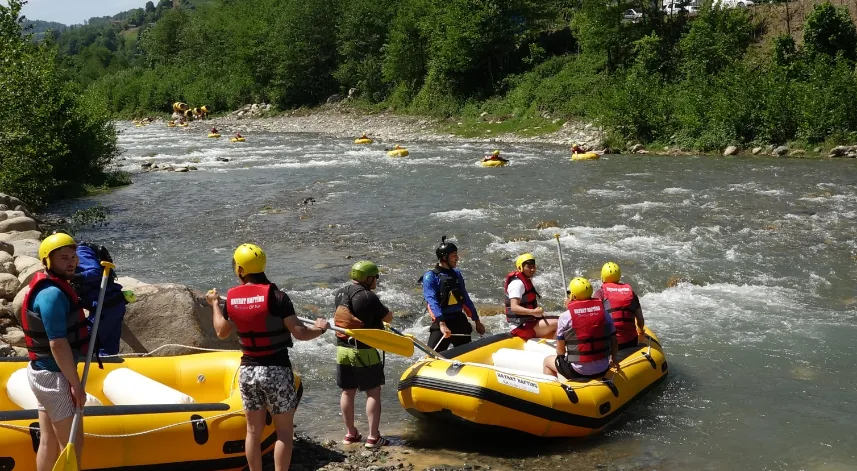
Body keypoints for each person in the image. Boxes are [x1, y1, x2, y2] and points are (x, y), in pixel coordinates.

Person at [206, 243, 329, 471]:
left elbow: (221, 331)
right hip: (276, 371)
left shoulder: (231, 298)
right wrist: (320, 328)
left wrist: (214, 304)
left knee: (253, 431)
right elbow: (301, 333)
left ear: (240, 269)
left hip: (248, 372)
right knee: (284, 433)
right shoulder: (277, 297)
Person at [22, 233, 90, 470]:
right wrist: (76, 384)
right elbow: (57, 344)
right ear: (47, 261)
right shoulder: (52, 294)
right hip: (53, 377)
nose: (71, 262)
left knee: (49, 441)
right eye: (63, 258)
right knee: (72, 442)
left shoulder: (54, 287)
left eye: (73, 257)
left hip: (43, 373)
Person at [333, 261, 393, 448]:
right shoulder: (368, 296)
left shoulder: (340, 292)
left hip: (342, 349)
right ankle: (373, 437)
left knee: (347, 391)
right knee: (373, 392)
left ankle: (350, 433)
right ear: (368, 278)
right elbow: (388, 317)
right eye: (375, 277)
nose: (376, 280)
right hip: (364, 350)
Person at [543, 277, 620, 379]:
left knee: (547, 361)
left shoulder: (565, 316)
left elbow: (560, 351)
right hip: (603, 368)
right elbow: (614, 340)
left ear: (573, 296)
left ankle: (558, 388)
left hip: (578, 371)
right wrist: (614, 358)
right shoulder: (604, 313)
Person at [421, 236, 485, 351]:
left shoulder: (457, 274)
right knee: (432, 355)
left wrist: (477, 321)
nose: (457, 258)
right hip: (442, 322)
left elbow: (465, 298)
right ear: (445, 257)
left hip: (459, 320)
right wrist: (442, 324)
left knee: (467, 354)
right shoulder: (430, 277)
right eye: (454, 255)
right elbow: (432, 301)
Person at [72, 242, 127, 356]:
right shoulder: (73, 255)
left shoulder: (80, 252)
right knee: (106, 347)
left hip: (105, 306)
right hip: (108, 305)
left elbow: (96, 271)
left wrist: (74, 277)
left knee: (87, 344)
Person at [594, 262, 645, 351]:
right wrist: (641, 332)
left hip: (610, 344)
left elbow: (593, 320)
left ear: (602, 276)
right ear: (619, 276)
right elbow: (640, 320)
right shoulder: (632, 293)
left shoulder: (600, 293)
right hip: (631, 342)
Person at [505, 253, 556, 340]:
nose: (532, 269)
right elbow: (514, 307)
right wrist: (533, 312)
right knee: (561, 323)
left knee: (560, 318)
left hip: (528, 322)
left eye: (533, 266)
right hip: (520, 327)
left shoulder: (526, 280)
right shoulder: (517, 284)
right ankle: (559, 347)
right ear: (520, 268)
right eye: (529, 267)